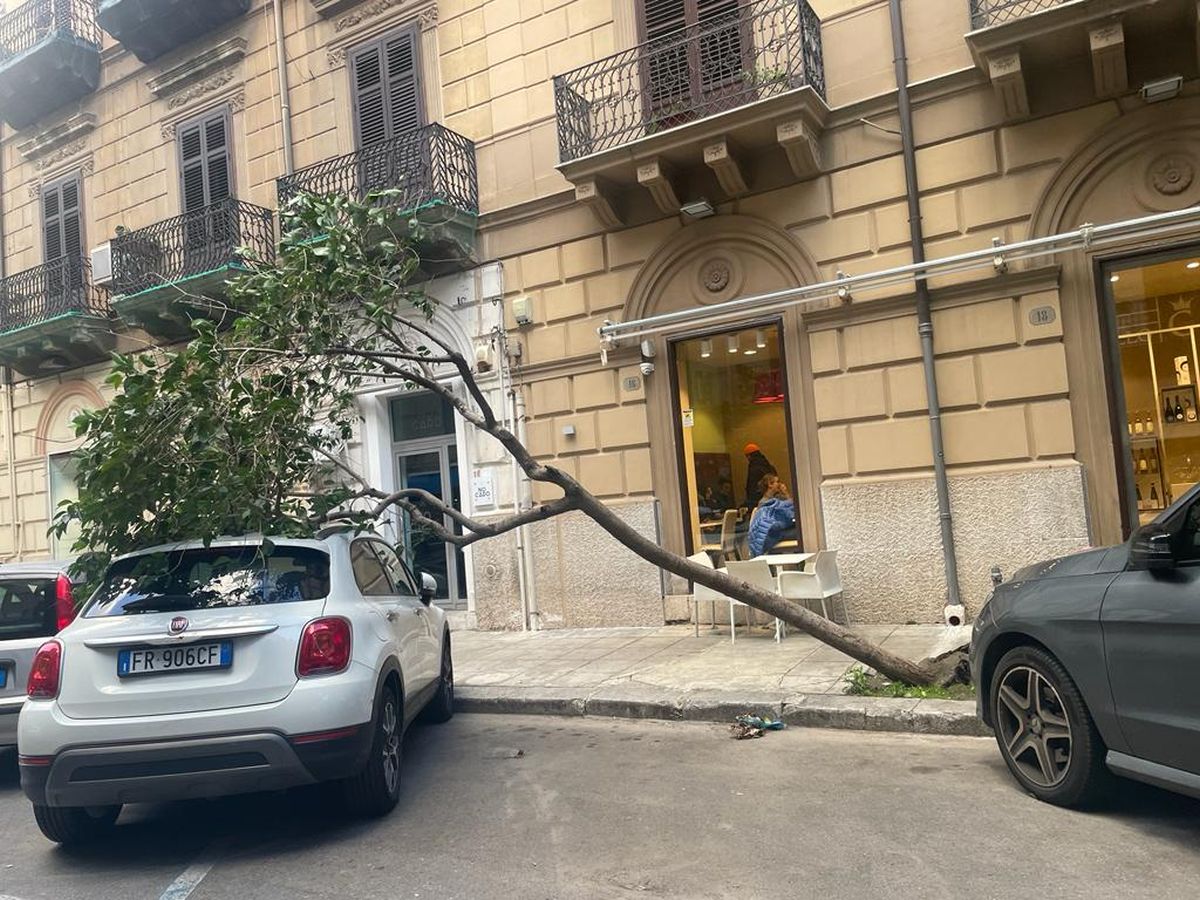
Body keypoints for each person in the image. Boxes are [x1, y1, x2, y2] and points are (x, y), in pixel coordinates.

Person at [748, 479, 797, 558]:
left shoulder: (777, 498)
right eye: (777, 482)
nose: (779, 484)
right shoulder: (764, 502)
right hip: (772, 532)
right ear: (770, 485)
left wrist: (785, 493)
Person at [743, 443, 777, 510]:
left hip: (757, 501)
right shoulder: (769, 466)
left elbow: (752, 487)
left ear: (749, 456)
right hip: (772, 498)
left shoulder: (754, 468)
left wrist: (750, 502)